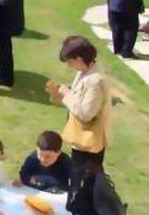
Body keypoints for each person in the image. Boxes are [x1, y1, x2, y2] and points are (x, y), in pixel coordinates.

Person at [46, 36, 112, 173]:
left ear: (80, 58)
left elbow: (86, 114)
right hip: (81, 139)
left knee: (84, 180)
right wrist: (58, 95)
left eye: (70, 61)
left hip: (88, 143)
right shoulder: (84, 72)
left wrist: (67, 94)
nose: (69, 65)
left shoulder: (95, 81)